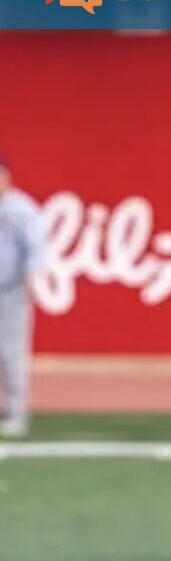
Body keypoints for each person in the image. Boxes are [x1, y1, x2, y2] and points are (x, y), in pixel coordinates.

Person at [0, 155, 44, 439]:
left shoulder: (21, 209)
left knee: (10, 353)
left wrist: (32, 282)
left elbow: (35, 248)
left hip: (10, 292)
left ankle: (17, 413)